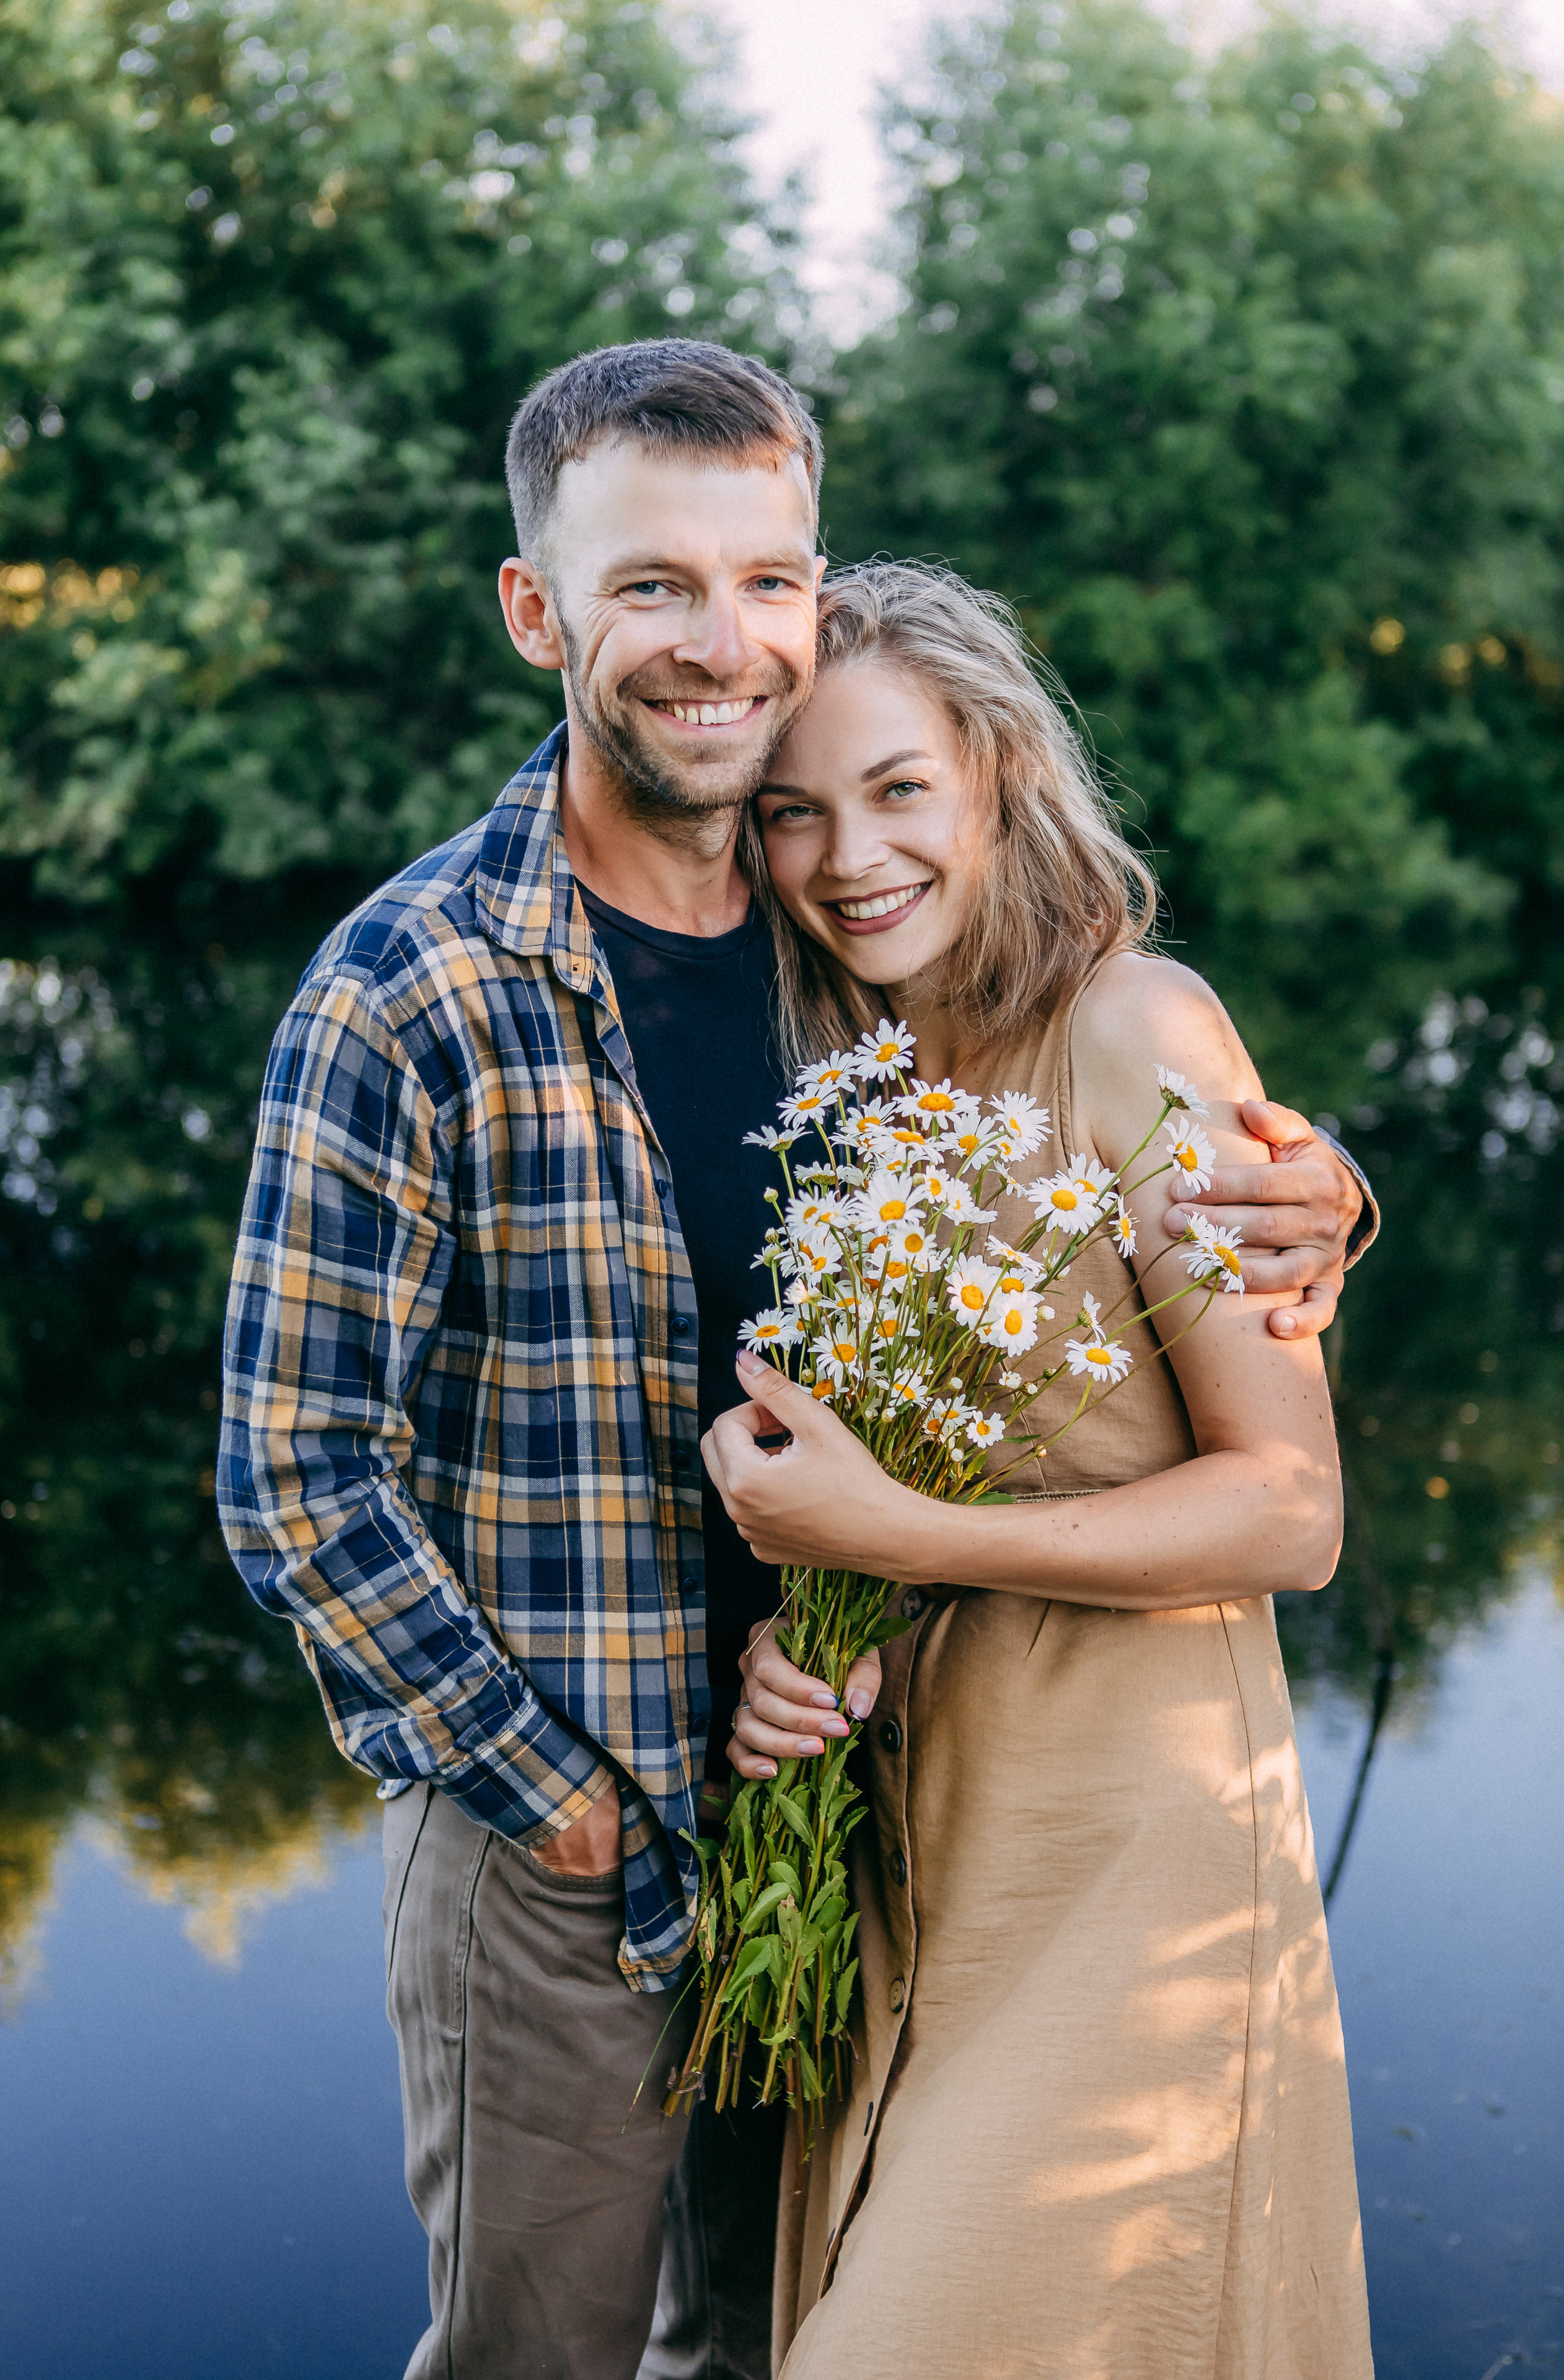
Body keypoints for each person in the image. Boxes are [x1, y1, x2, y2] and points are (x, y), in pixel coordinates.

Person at [217, 341, 1369, 2380]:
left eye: (765, 582)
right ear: (537, 610)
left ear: (816, 602)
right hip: (576, 1829)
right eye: (647, 582)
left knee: (773, 2343)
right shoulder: (416, 987)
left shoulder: (836, 964)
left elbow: (1102, 1231)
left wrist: (1324, 1202)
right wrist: (555, 1803)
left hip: (848, 1813)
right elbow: (296, 1472)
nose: (719, 640)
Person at [706, 562, 1375, 2379]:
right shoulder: (859, 1073)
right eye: (794, 812)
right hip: (911, 1849)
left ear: (1000, 777)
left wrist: (899, 1528)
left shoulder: (1136, 1022)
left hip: (1130, 1840)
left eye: (901, 788)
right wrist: (812, 1638)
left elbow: (1292, 1510)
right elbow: (898, 1483)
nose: (851, 855)